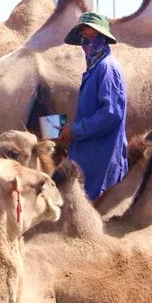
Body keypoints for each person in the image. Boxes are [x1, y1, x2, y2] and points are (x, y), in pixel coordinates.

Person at [58, 12, 128, 200]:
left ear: (103, 39)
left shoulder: (107, 68)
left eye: (92, 37)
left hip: (102, 161)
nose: (87, 43)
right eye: (84, 38)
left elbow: (111, 114)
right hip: (88, 158)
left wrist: (75, 130)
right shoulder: (93, 69)